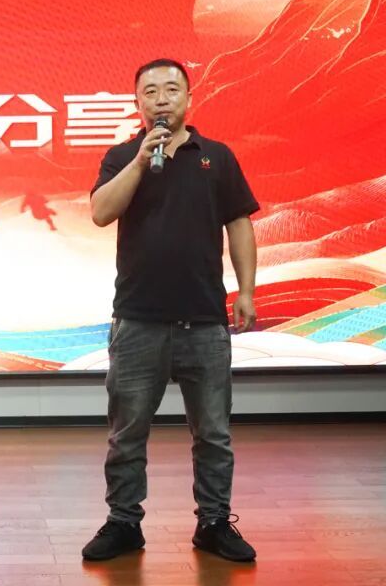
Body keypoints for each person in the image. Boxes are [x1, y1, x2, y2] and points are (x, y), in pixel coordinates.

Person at [82, 58, 259, 563]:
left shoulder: (217, 157)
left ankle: (214, 522)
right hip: (139, 319)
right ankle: (124, 523)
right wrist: (141, 162)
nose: (161, 99)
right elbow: (100, 213)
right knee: (127, 433)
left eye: (171, 89)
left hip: (203, 318)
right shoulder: (123, 156)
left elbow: (239, 225)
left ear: (189, 97)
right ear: (137, 102)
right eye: (151, 91)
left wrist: (246, 291)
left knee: (213, 434)